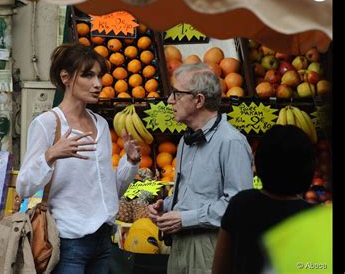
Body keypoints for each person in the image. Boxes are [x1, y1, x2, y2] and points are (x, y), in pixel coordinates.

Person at [16, 42, 141, 274]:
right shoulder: (48, 124)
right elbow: (23, 187)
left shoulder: (101, 125)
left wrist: (130, 162)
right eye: (88, 75)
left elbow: (109, 193)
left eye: (99, 76)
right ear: (66, 77)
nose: (98, 84)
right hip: (68, 241)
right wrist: (52, 154)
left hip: (103, 240)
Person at [148, 63, 253, 273]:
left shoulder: (231, 142)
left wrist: (185, 218)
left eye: (176, 94)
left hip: (210, 247)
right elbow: (196, 193)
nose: (170, 100)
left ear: (199, 100)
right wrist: (167, 206)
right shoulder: (186, 140)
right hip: (181, 245)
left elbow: (238, 207)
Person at [212, 125, 315, 274]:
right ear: (309, 169)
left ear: (258, 163)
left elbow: (220, 268)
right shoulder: (314, 217)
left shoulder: (241, 204)